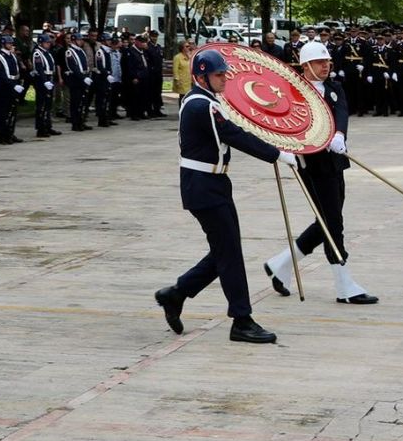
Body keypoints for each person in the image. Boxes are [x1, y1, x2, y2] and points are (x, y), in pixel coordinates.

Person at [154, 48, 300, 344]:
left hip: (214, 183)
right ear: (201, 77)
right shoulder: (201, 105)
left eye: (224, 74)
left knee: (226, 250)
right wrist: (275, 154)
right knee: (230, 253)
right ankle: (241, 320)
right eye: (219, 75)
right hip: (203, 186)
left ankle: (177, 293)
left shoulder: (209, 100)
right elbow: (234, 135)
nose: (225, 79)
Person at [264, 41, 377, 305]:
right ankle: (344, 285)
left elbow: (341, 112)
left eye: (327, 62)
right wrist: (288, 146)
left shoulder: (334, 87)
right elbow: (284, 123)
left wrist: (339, 134)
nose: (325, 66)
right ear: (305, 66)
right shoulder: (293, 92)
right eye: (319, 62)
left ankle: (280, 264)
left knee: (326, 221)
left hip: (335, 162)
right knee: (333, 223)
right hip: (312, 166)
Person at [0, 35, 24, 145]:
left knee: (12, 111)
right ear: (3, 44)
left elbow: (16, 71)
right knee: (3, 113)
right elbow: (2, 75)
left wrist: (18, 83)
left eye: (11, 43)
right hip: (4, 87)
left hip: (13, 84)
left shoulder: (12, 56)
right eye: (8, 43)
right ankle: (2, 136)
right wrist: (12, 85)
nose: (10, 45)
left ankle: (10, 133)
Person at [30, 33, 60, 138]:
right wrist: (44, 81)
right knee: (41, 105)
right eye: (46, 42)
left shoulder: (47, 53)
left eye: (49, 42)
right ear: (40, 43)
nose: (49, 44)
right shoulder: (37, 53)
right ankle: (40, 128)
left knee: (48, 104)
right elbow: (39, 68)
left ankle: (48, 125)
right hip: (42, 81)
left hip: (49, 78)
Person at [63, 31, 94, 132]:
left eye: (81, 40)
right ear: (74, 41)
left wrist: (87, 75)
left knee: (82, 102)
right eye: (79, 40)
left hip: (83, 78)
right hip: (76, 80)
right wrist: (83, 77)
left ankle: (81, 121)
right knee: (76, 102)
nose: (81, 41)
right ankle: (75, 123)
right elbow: (73, 67)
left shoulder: (80, 51)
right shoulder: (70, 52)